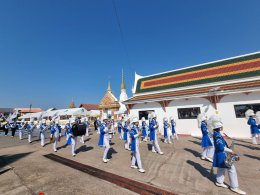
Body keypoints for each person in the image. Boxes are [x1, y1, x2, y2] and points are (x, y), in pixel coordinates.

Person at [210, 115, 246, 195]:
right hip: (222, 154)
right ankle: (234, 187)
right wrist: (230, 150)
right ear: (218, 127)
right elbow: (220, 147)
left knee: (221, 168)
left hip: (219, 154)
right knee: (231, 169)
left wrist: (228, 147)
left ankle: (219, 182)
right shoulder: (217, 135)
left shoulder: (216, 133)